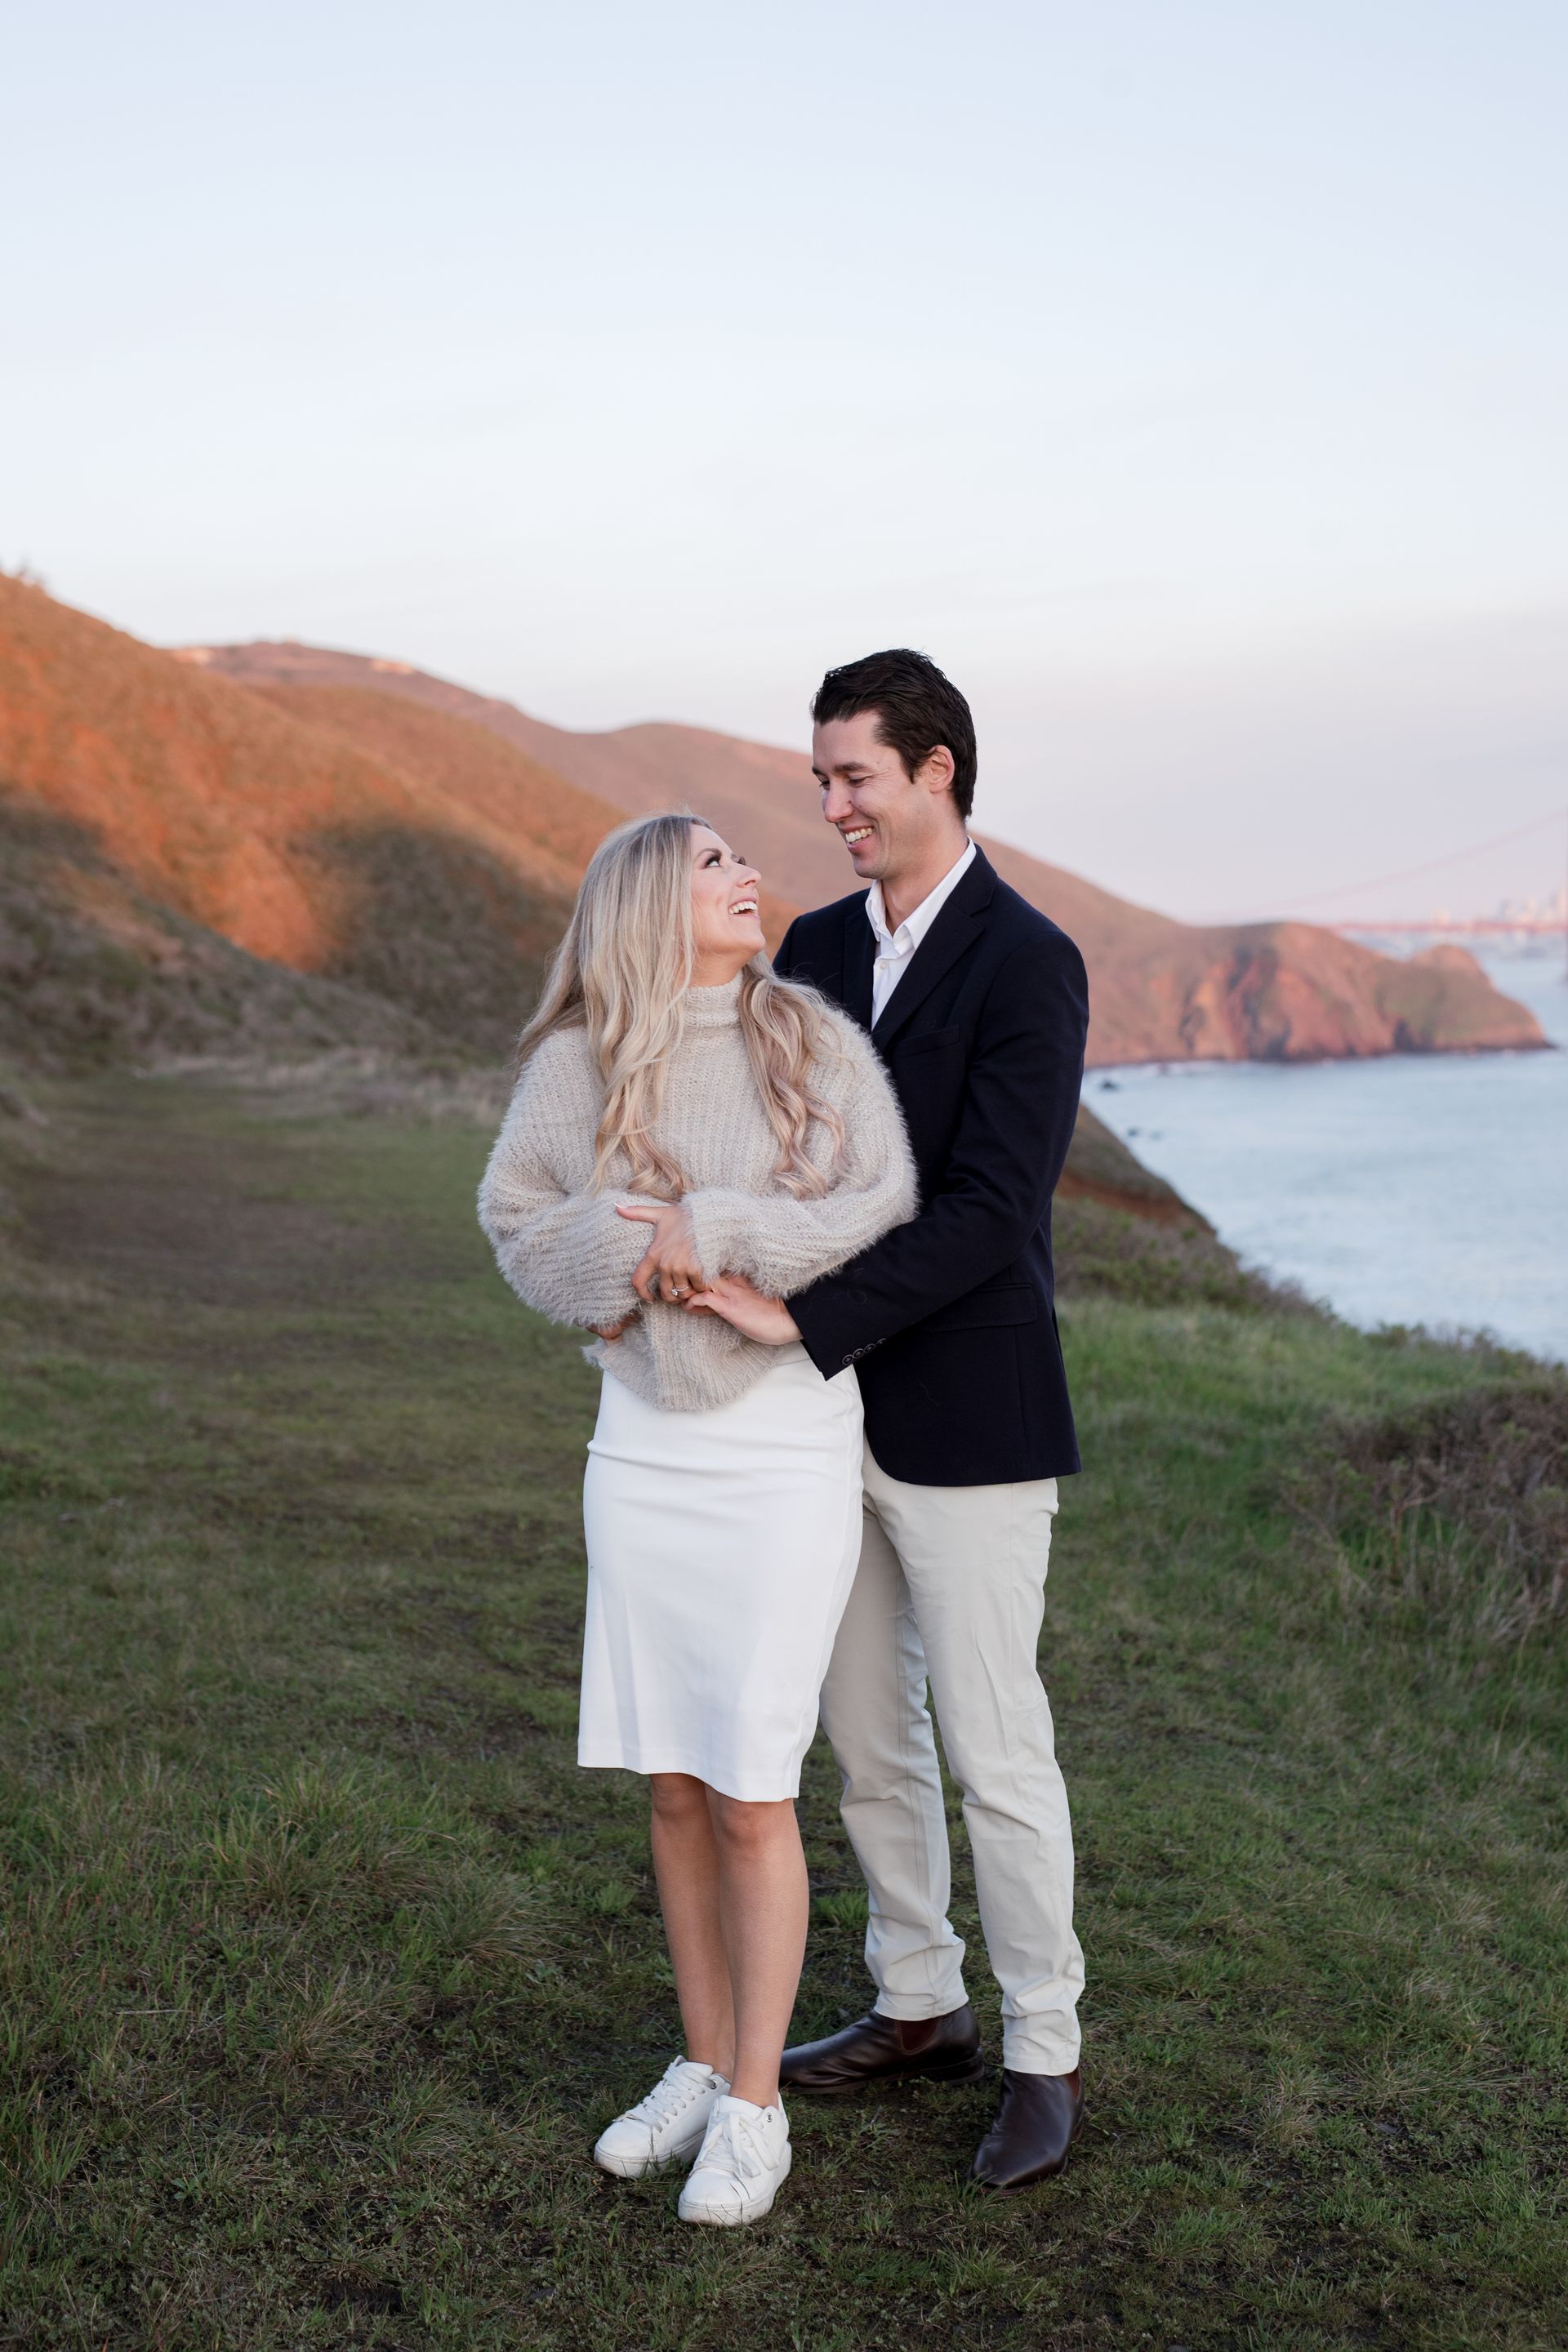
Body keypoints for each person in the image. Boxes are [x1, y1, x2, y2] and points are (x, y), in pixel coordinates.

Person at [477, 811, 915, 2226]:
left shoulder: (811, 1037)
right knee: (671, 1777)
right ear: (649, 901)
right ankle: (704, 2058)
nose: (748, 875)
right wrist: (630, 1246)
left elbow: (879, 1200)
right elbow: (516, 1218)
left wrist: (716, 1230)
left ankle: (755, 2108)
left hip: (784, 1444)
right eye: (714, 863)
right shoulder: (581, 1057)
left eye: (742, 860)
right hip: (643, 1448)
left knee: (750, 1784)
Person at [699, 649, 1091, 2192]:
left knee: (997, 1746)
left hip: (971, 1410)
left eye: (854, 776)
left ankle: (1046, 2051)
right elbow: (761, 1143)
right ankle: (919, 2001)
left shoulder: (1031, 959)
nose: (833, 807)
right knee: (865, 1734)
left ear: (938, 770)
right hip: (814, 1424)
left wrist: (809, 1317)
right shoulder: (808, 947)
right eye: (821, 782)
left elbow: (993, 1209)